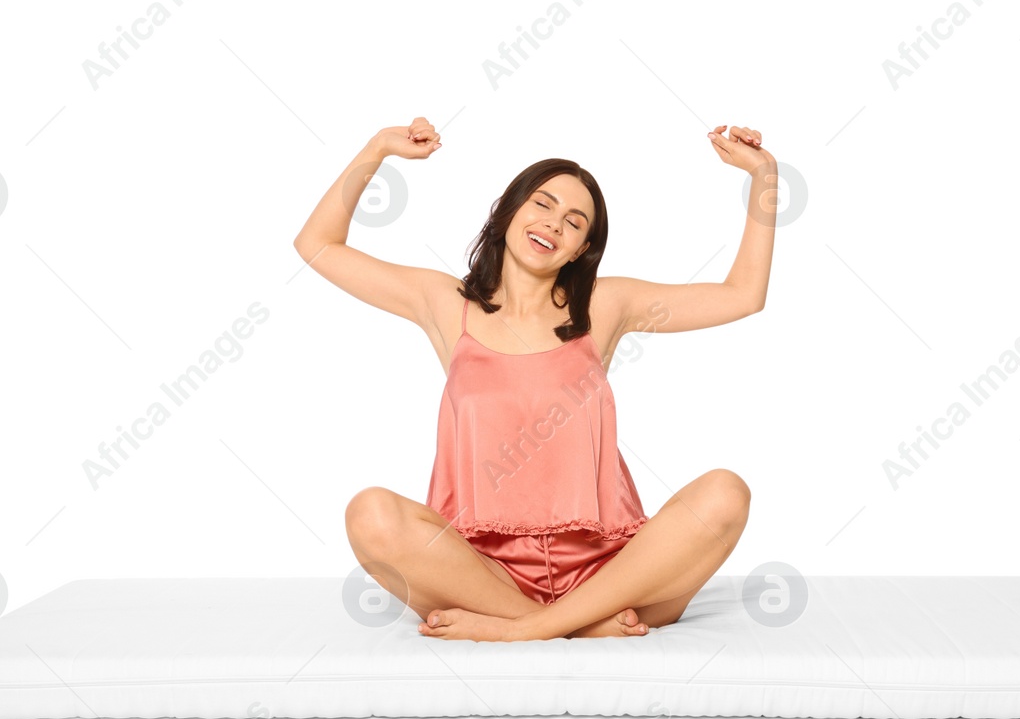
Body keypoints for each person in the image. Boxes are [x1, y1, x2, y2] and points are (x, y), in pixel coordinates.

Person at [293, 116, 776, 640]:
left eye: (574, 222)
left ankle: (521, 630)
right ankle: (568, 627)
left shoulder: (606, 304)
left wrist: (765, 176)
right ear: (508, 212)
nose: (553, 224)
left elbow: (742, 295)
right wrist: (377, 150)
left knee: (726, 493)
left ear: (580, 250)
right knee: (370, 514)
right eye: (543, 205)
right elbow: (317, 244)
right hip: (480, 574)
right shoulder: (444, 303)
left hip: (611, 572)